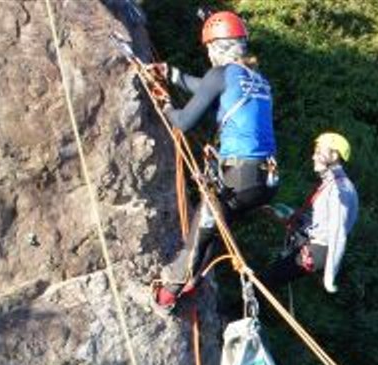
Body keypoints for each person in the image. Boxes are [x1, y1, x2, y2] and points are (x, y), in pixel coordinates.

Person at [151, 10, 278, 310]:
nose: (208, 55)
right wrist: (172, 75)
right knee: (214, 229)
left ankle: (167, 296)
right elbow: (209, 88)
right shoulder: (256, 80)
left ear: (217, 47)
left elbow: (182, 122)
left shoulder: (220, 75)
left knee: (200, 235)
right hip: (264, 180)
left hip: (239, 176)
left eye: (209, 48)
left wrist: (165, 105)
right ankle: (194, 284)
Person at [260, 132, 359, 293]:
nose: (314, 156)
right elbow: (322, 222)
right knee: (271, 278)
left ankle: (233, 312)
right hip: (314, 243)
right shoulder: (331, 183)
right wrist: (289, 215)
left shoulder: (340, 190)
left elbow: (338, 234)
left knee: (267, 280)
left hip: (319, 249)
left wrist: (330, 276)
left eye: (319, 152)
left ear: (334, 155)